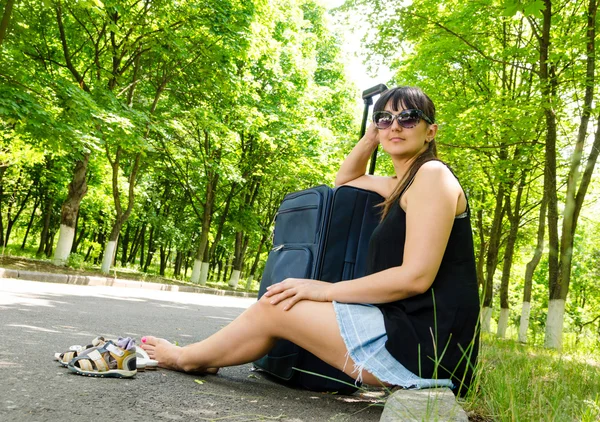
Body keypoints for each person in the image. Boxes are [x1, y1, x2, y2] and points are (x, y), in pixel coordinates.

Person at [141, 86, 480, 396]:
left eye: (407, 118)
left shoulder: (432, 176)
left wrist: (323, 289)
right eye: (384, 118)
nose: (395, 126)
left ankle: (185, 358)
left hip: (424, 348)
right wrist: (369, 139)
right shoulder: (404, 183)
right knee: (281, 299)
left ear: (430, 130)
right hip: (408, 333)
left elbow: (415, 277)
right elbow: (347, 180)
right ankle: (201, 356)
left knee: (279, 304)